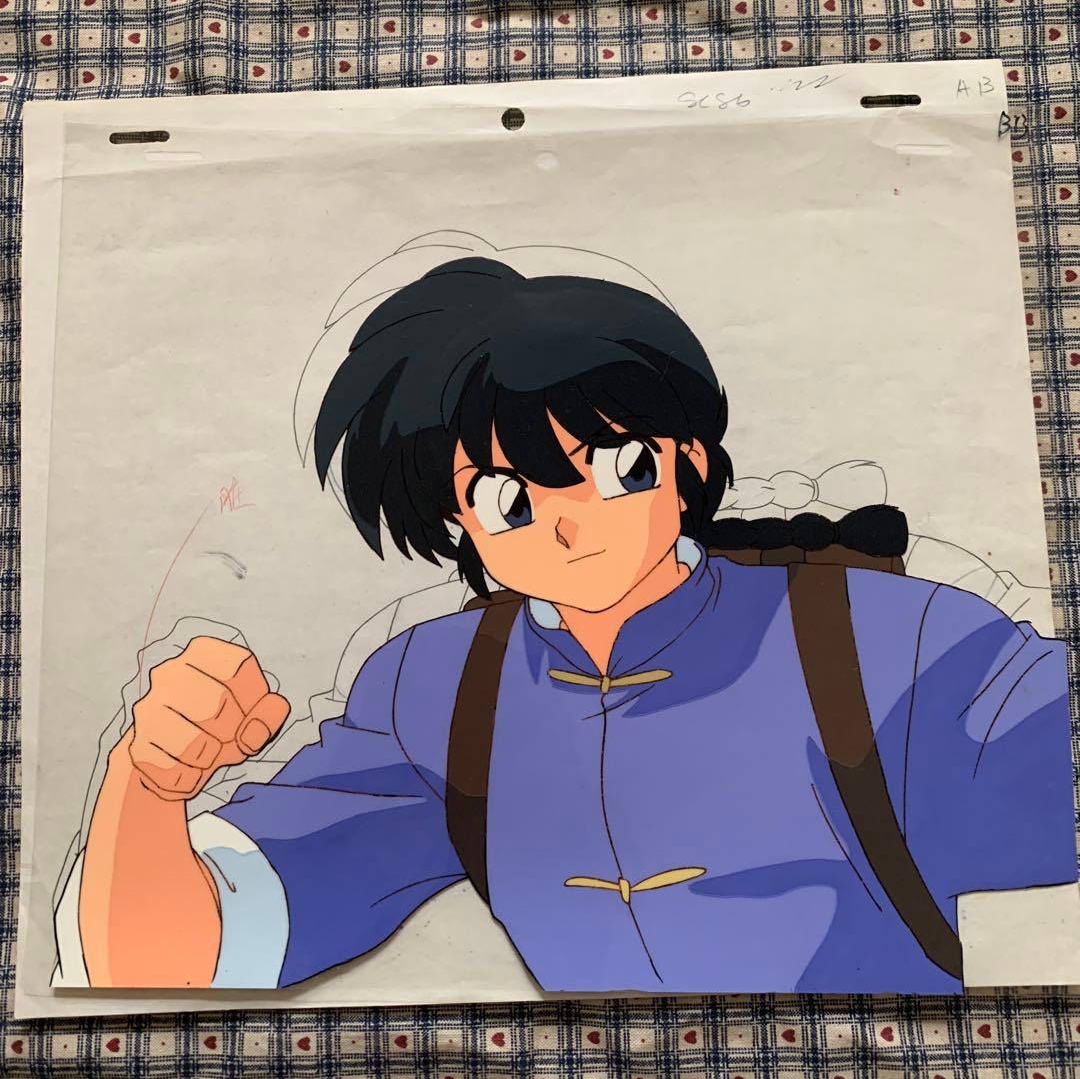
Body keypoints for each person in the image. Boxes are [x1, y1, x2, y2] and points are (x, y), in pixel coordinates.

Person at [76, 257, 1077, 993]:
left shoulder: (884, 637)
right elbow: (170, 960)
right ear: (456, 522)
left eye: (617, 468)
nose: (568, 522)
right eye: (507, 497)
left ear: (688, 461)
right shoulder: (434, 689)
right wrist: (149, 784)